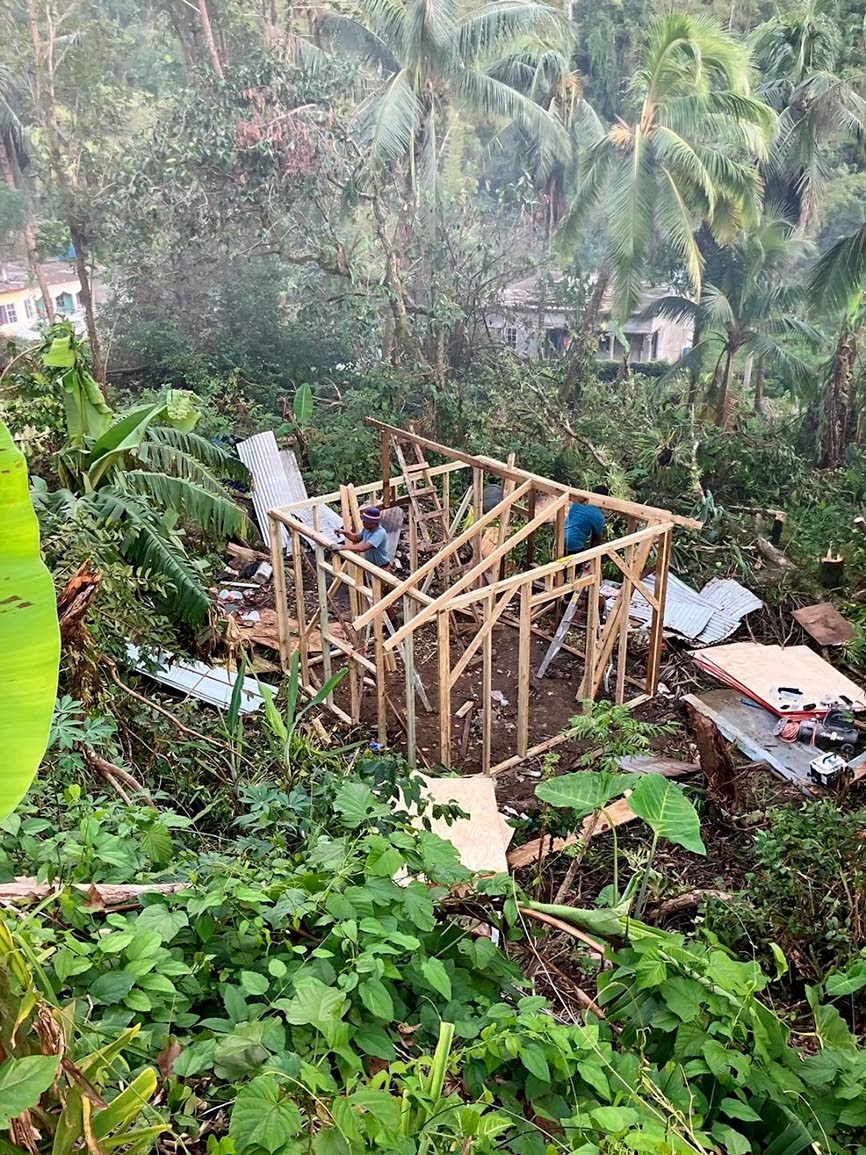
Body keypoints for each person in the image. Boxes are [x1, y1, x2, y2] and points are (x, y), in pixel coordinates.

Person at [564, 485, 608, 555]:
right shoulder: (598, 516)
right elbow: (596, 539)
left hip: (561, 538)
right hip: (575, 545)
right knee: (574, 565)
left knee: (559, 563)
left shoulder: (577, 503)